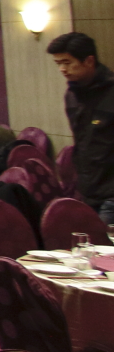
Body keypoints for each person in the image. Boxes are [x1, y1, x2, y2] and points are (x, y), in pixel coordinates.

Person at [49, 31, 114, 223]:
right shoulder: (72, 96)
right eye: (58, 63)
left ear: (89, 61)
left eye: (67, 62)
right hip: (89, 190)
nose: (62, 69)